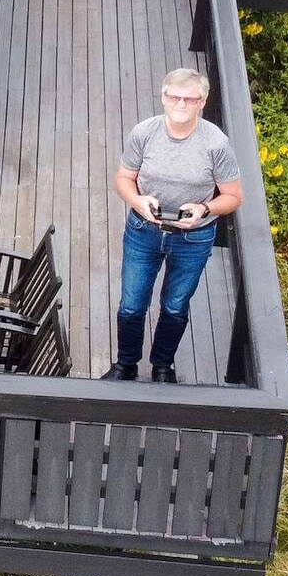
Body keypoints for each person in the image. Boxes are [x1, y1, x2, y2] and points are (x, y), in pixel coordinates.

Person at [105, 68, 244, 383]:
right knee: (131, 305)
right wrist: (138, 201)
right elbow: (124, 179)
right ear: (163, 98)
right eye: (175, 97)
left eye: (190, 98)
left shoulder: (216, 144)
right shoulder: (144, 132)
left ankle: (162, 366)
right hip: (143, 230)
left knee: (175, 306)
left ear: (202, 102)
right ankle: (125, 365)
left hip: (193, 238)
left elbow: (234, 196)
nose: (181, 104)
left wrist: (204, 208)